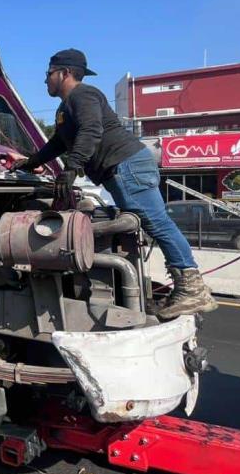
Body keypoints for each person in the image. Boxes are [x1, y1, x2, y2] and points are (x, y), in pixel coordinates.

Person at [14, 48, 217, 319]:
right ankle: (185, 286)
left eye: (48, 74)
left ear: (65, 73)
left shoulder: (84, 95)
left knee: (157, 223)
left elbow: (91, 129)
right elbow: (57, 143)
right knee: (149, 224)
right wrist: (30, 163)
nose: (45, 80)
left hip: (127, 164)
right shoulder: (65, 108)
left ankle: (192, 289)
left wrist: (72, 167)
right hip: (122, 168)